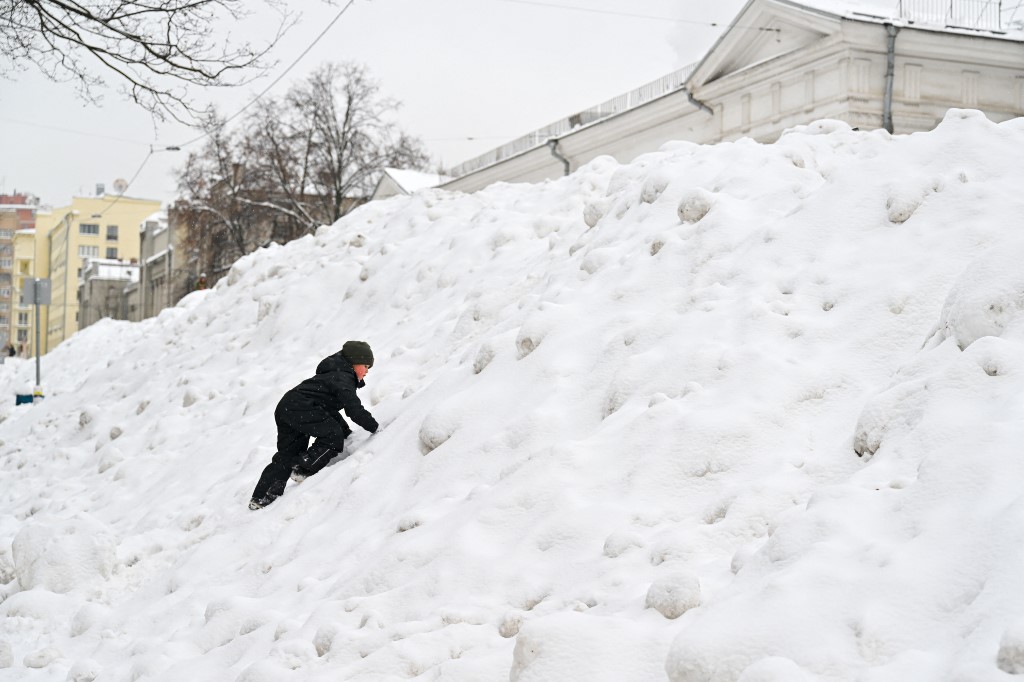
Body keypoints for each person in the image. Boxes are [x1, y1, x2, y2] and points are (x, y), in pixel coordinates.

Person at [249, 340, 378, 510]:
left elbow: (328, 410)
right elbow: (353, 408)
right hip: (301, 407)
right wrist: (375, 428)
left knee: (288, 452)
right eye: (366, 366)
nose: (367, 371)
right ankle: (303, 468)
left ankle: (262, 497)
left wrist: (347, 432)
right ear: (355, 362)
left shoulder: (333, 374)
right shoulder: (343, 377)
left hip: (288, 406)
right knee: (333, 436)